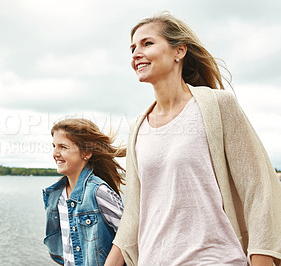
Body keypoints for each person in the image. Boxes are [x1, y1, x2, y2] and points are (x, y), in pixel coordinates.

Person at [104, 12, 281, 266]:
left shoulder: (218, 106)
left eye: (147, 43)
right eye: (133, 48)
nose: (135, 54)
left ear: (180, 51)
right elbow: (133, 215)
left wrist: (261, 260)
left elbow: (259, 190)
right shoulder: (137, 128)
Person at [43, 118, 126, 265]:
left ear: (86, 153)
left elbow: (128, 235)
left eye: (63, 147)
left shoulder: (98, 192)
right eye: (54, 146)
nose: (55, 153)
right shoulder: (54, 195)